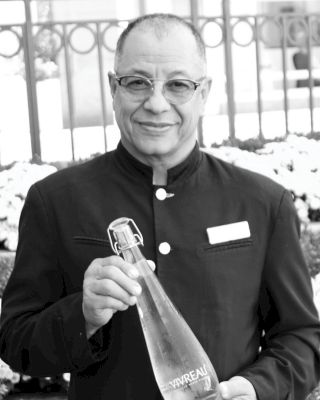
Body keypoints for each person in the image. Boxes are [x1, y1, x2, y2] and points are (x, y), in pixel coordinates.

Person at [0, 13, 319, 400]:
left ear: (204, 93)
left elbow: (302, 338)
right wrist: (82, 315)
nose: (155, 103)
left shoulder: (263, 203)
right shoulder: (55, 201)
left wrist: (256, 388)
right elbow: (16, 342)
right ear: (112, 88)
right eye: (136, 82)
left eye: (179, 85)